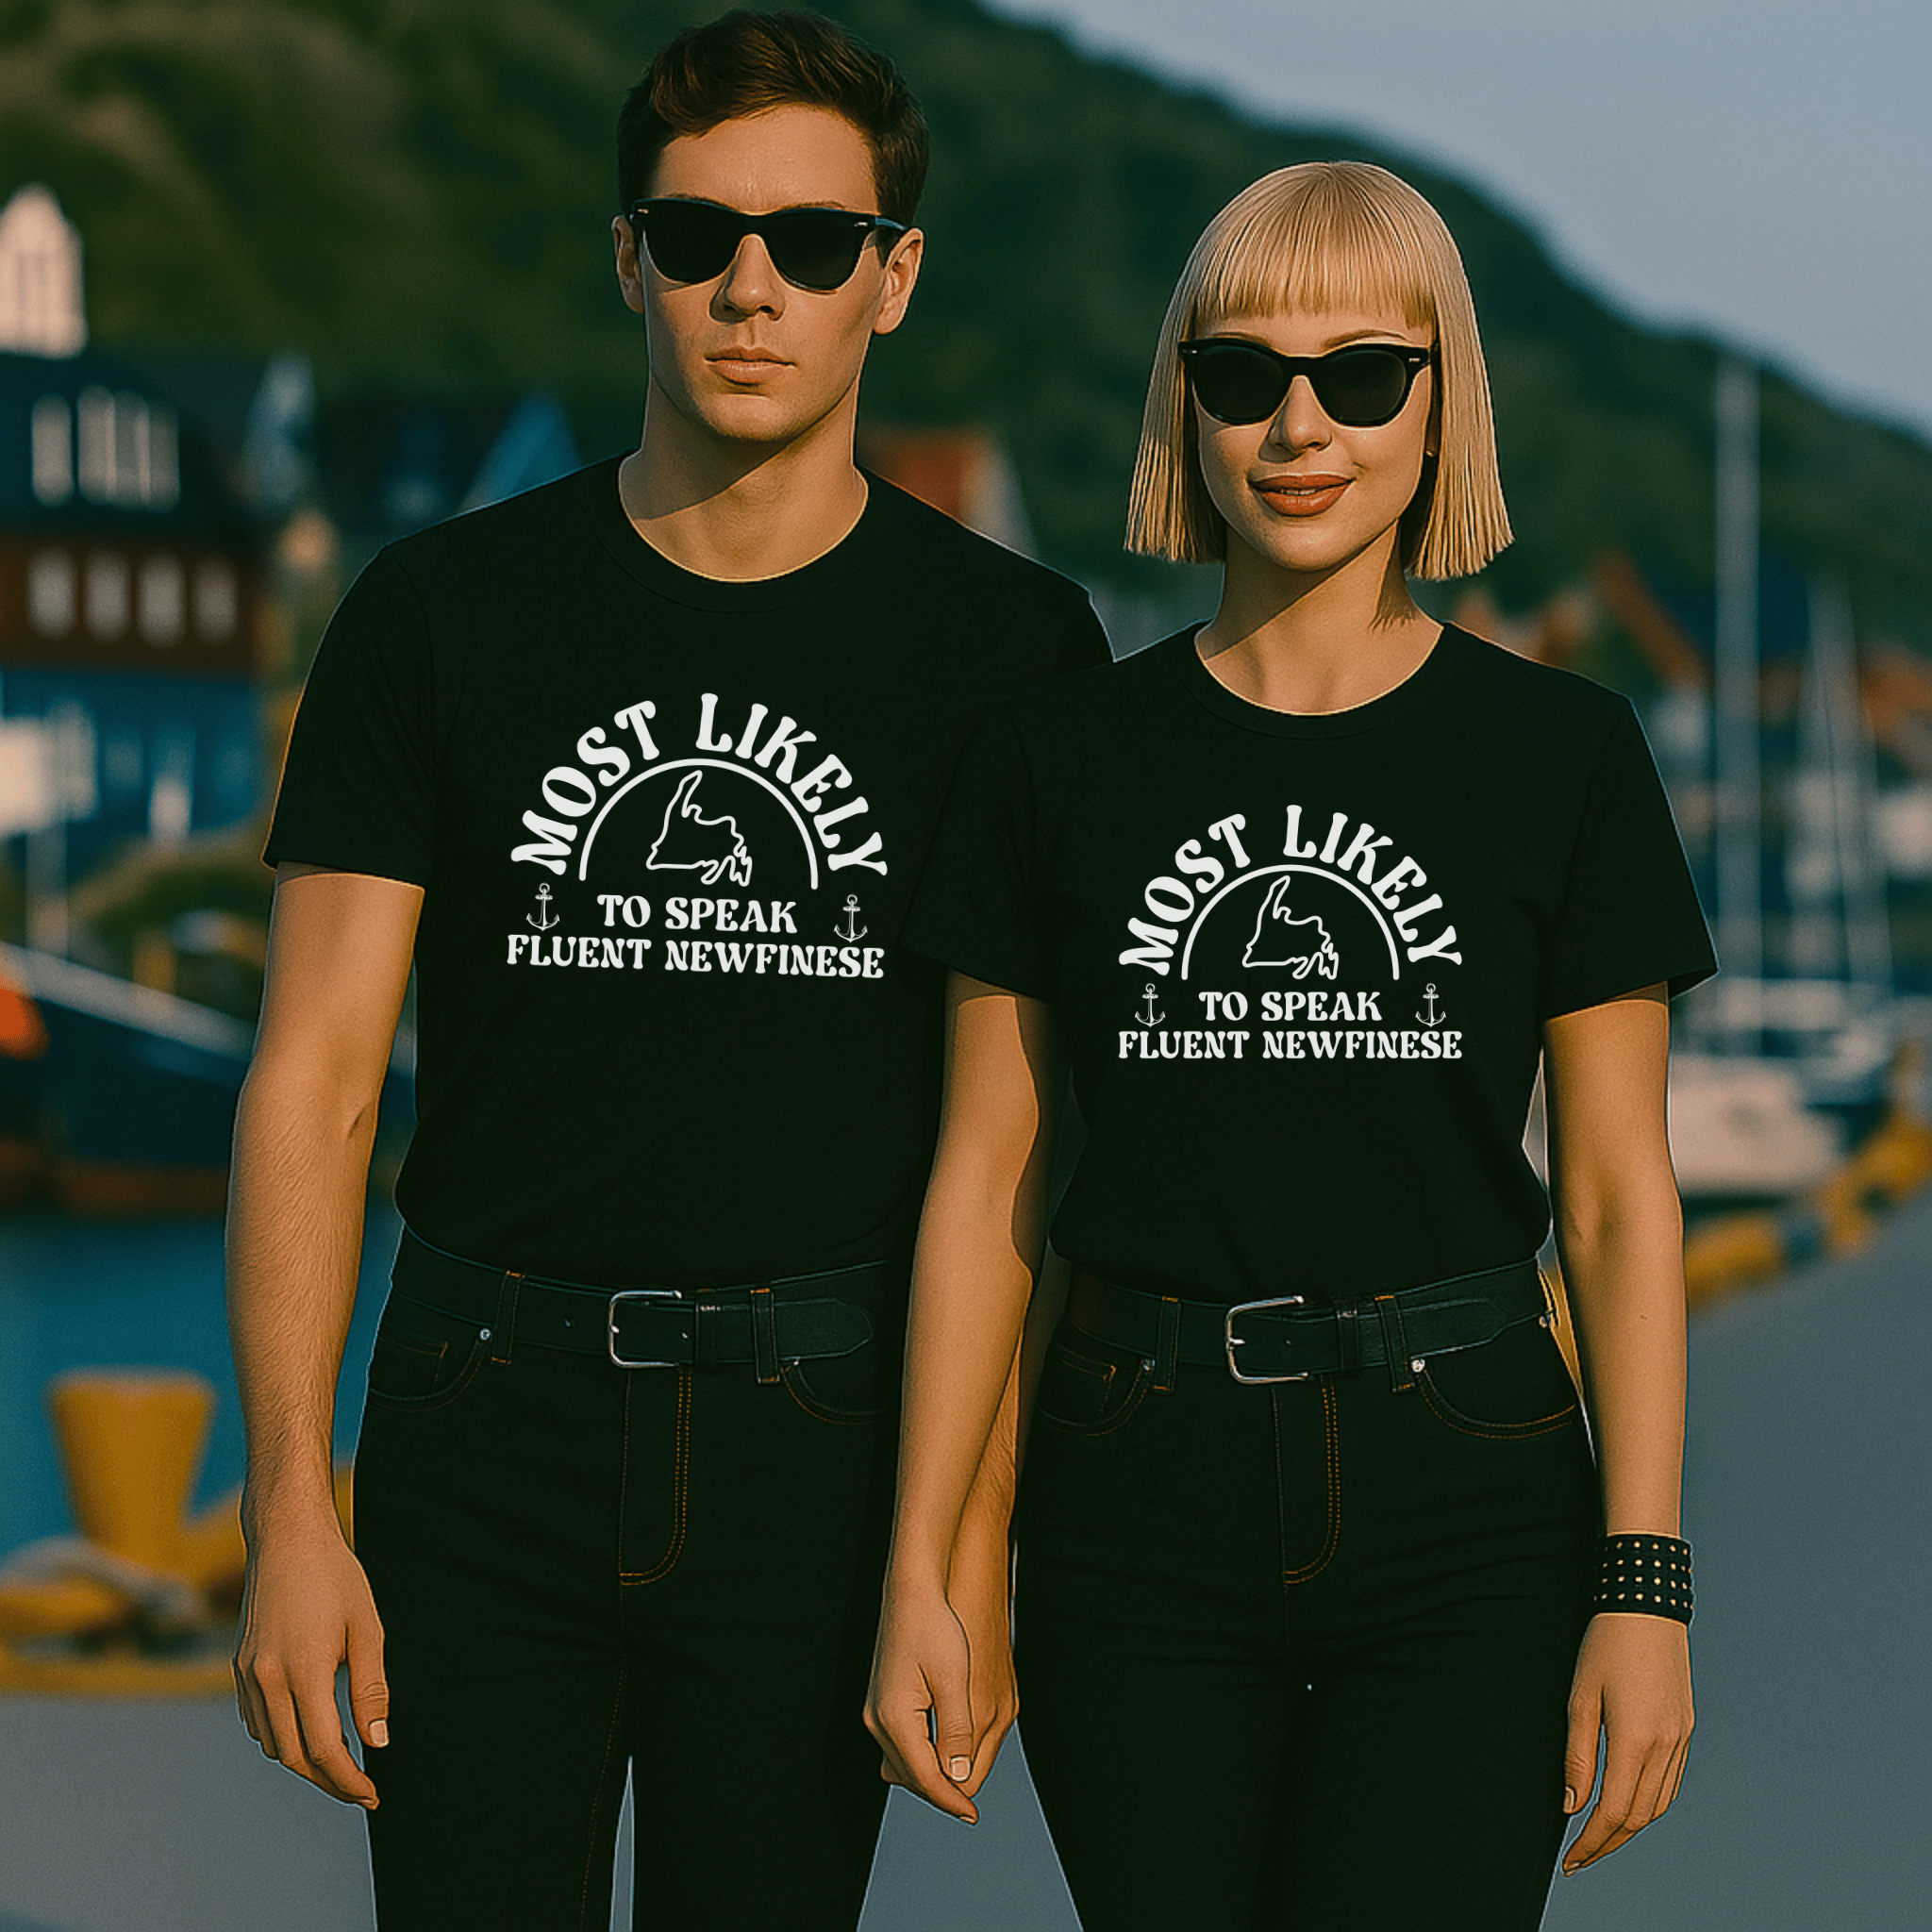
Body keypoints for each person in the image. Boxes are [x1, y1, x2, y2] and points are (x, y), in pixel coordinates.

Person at [225, 11, 1106, 1928]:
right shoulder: (435, 615)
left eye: (809, 243)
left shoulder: (1014, 656)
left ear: (895, 278)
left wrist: (961, 1553)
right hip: (480, 1417)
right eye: (699, 237)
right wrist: (290, 1509)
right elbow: (315, 1078)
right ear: (628, 255)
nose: (749, 287)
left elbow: (1009, 1155)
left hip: (821, 1440)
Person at [866, 159, 1714, 1930]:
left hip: (1470, 1492)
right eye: (1243, 376)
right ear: (1186, 404)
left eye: (1362, 376)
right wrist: (931, 1568)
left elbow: (1623, 1203)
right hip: (1131, 1495)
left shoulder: (1562, 755)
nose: (1299, 425)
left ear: (1442, 402)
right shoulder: (1057, 760)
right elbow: (989, 1185)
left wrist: (1644, 1586)